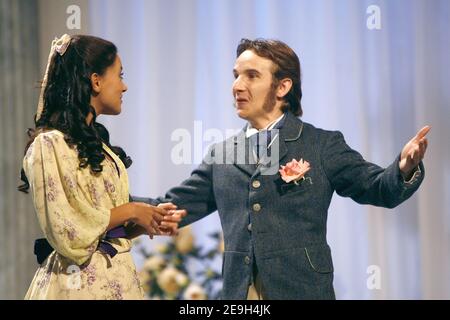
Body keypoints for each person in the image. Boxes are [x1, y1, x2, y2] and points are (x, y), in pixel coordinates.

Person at [133, 38, 430, 300]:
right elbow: (171, 207)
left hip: (303, 289)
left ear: (283, 86)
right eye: (236, 75)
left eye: (251, 76)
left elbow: (377, 187)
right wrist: (111, 204)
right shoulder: (221, 154)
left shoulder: (321, 144)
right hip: (240, 292)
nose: (237, 85)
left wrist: (404, 167)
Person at [19, 34, 186, 299]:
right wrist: (131, 209)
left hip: (119, 282)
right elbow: (70, 234)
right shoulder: (48, 145)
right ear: (96, 81)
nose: (125, 86)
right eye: (120, 75)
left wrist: (145, 221)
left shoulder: (103, 149)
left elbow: (102, 228)